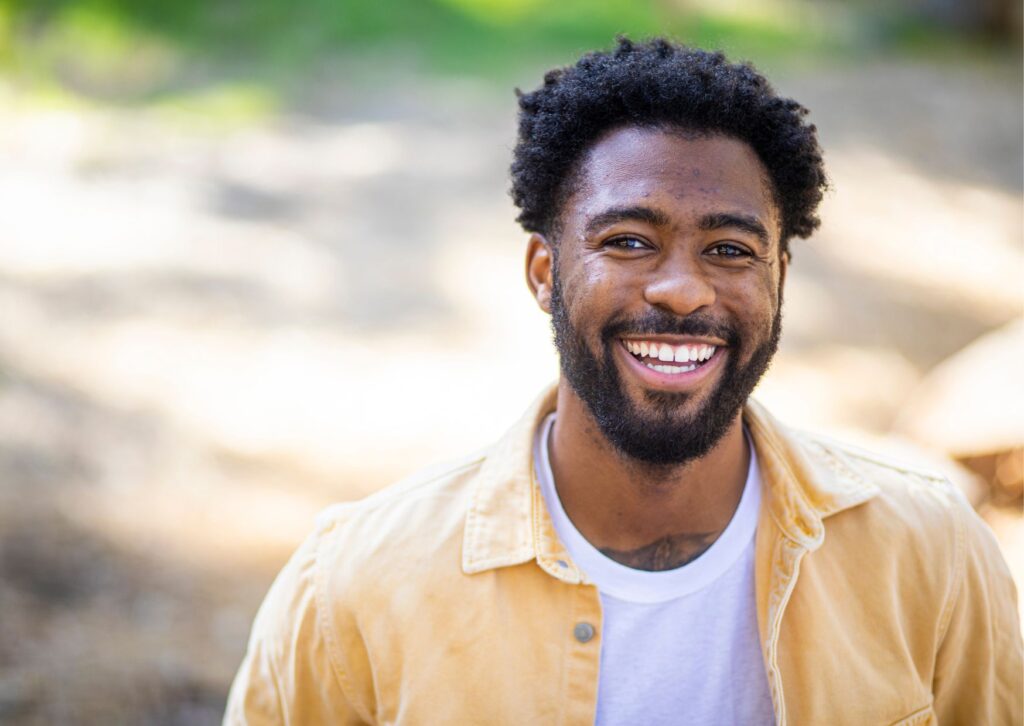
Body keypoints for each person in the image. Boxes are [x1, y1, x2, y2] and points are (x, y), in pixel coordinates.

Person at [224, 38, 1023, 725]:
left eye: (731, 250)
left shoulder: (929, 555)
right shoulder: (354, 584)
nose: (682, 288)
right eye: (630, 240)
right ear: (545, 272)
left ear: (779, 276)